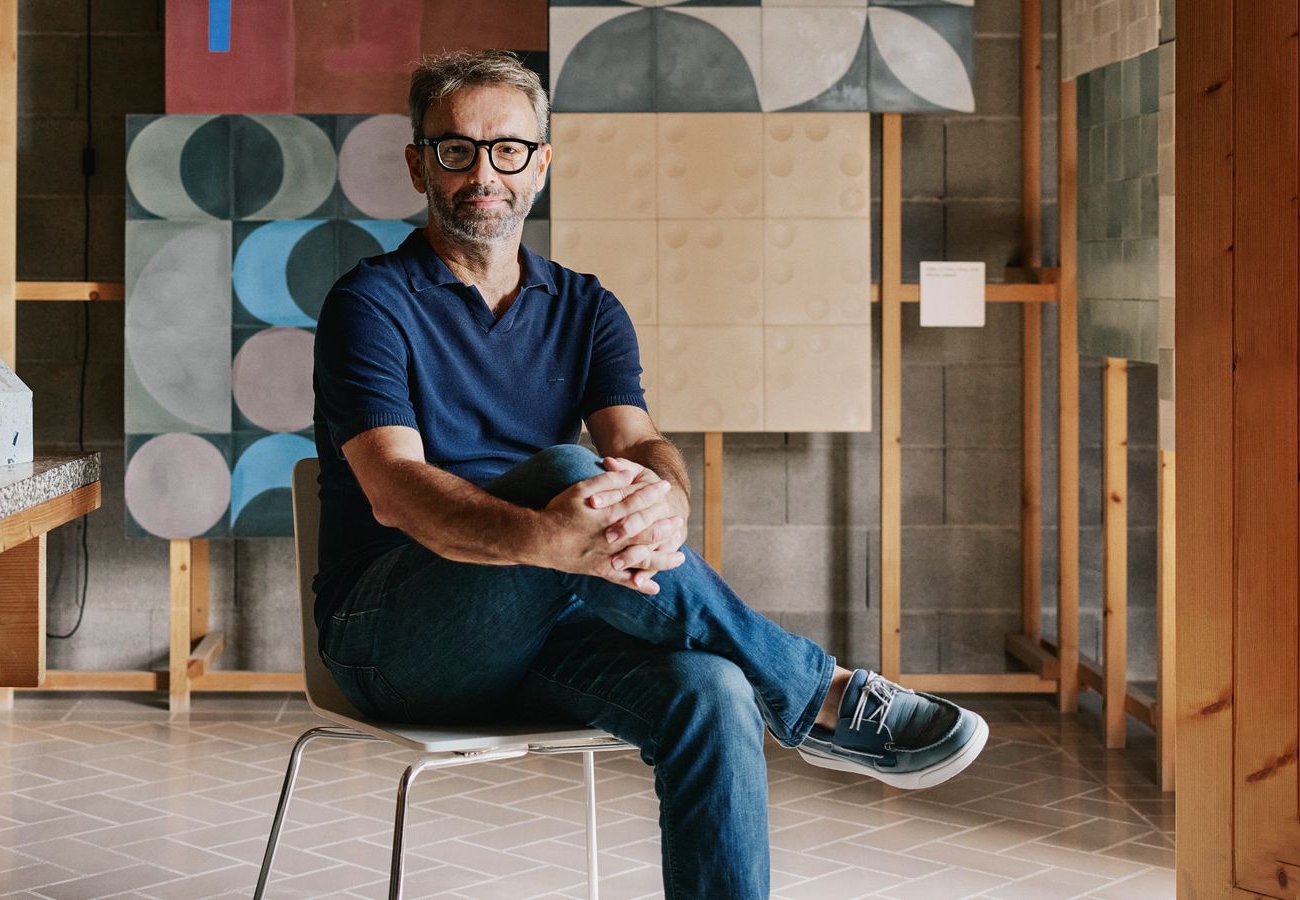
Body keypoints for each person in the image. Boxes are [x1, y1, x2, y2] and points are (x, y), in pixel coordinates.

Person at [310, 49, 989, 898]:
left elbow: (639, 443)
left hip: (546, 631)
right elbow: (393, 488)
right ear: (420, 165)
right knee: (569, 468)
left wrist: (665, 499)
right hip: (394, 640)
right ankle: (819, 692)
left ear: (540, 164)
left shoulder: (588, 307)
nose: (484, 173)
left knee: (713, 686)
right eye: (457, 150)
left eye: (508, 149)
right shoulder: (369, 304)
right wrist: (547, 536)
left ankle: (788, 695)